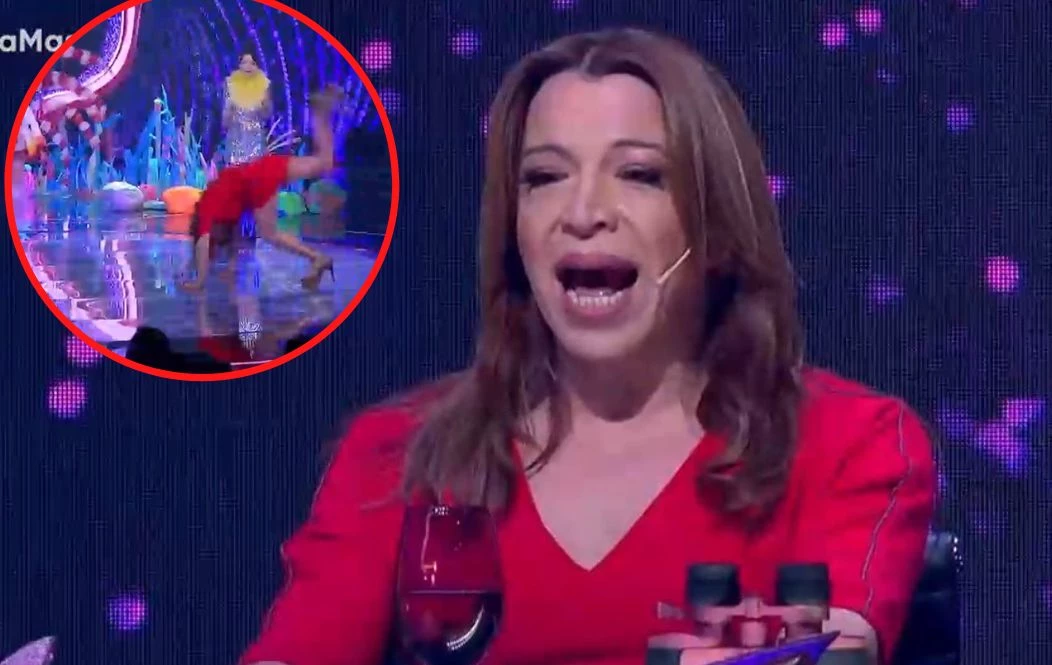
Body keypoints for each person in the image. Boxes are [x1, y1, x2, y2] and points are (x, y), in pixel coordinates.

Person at [239, 29, 935, 665]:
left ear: (716, 225)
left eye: (640, 174)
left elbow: (836, 653)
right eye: (544, 178)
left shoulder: (850, 442)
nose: (581, 213)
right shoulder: (399, 454)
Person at [181, 86, 340, 292]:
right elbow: (232, 238)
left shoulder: (206, 211)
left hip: (258, 179)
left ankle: (317, 258)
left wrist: (199, 281)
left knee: (270, 234)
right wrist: (230, 265)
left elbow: (203, 242)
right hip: (263, 168)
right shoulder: (219, 210)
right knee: (325, 162)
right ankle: (320, 113)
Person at [224, 49, 272, 166]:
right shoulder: (231, 85)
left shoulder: (264, 85)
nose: (248, 67)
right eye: (244, 62)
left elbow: (267, 115)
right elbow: (225, 121)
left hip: (256, 139)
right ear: (239, 65)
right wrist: (229, 107)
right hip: (236, 137)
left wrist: (263, 104)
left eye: (252, 63)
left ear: (257, 66)